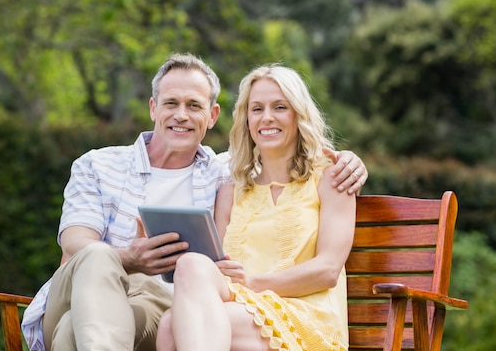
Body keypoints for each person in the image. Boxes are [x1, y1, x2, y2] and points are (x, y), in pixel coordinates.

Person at [21, 54, 366, 351]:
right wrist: (130, 256)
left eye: (194, 106)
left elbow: (280, 156)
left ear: (212, 116)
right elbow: (74, 245)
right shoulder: (99, 164)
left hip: (165, 305)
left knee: (83, 331)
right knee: (98, 255)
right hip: (88, 288)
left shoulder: (221, 173)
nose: (181, 115)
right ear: (153, 108)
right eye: (171, 103)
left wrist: (351, 159)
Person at [155, 64, 356, 351]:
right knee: (188, 270)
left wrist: (250, 283)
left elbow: (327, 270)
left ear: (299, 115)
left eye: (280, 107)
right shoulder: (231, 191)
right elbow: (217, 271)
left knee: (173, 327)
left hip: (306, 319)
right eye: (257, 109)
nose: (267, 118)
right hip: (242, 309)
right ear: (247, 119)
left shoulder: (330, 177)